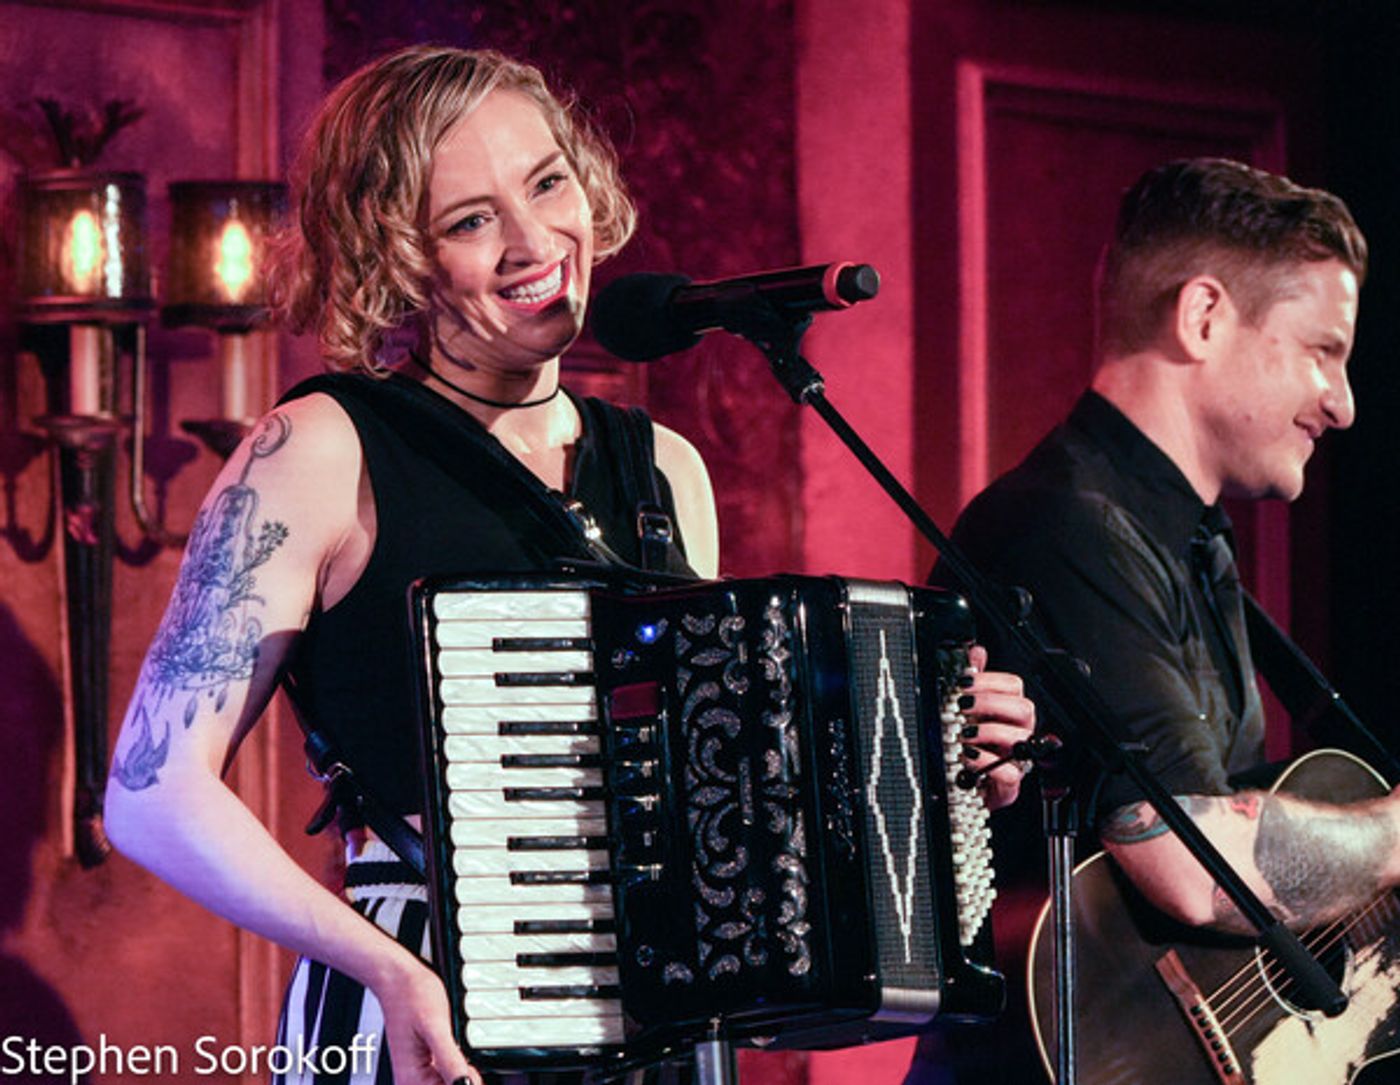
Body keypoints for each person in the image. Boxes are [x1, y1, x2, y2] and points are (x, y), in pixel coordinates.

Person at [104, 45, 1036, 1085]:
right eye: (468, 219)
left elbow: (714, 803)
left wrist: (934, 771)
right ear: (393, 258)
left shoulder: (660, 467)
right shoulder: (320, 448)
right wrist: (386, 967)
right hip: (421, 1004)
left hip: (665, 1031)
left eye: (546, 182)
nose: (532, 238)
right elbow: (151, 795)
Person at [911, 156, 1387, 1083]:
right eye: (1323, 351)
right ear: (1203, 316)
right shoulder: (1068, 527)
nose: (1343, 402)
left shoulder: (1187, 539)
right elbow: (1201, 869)